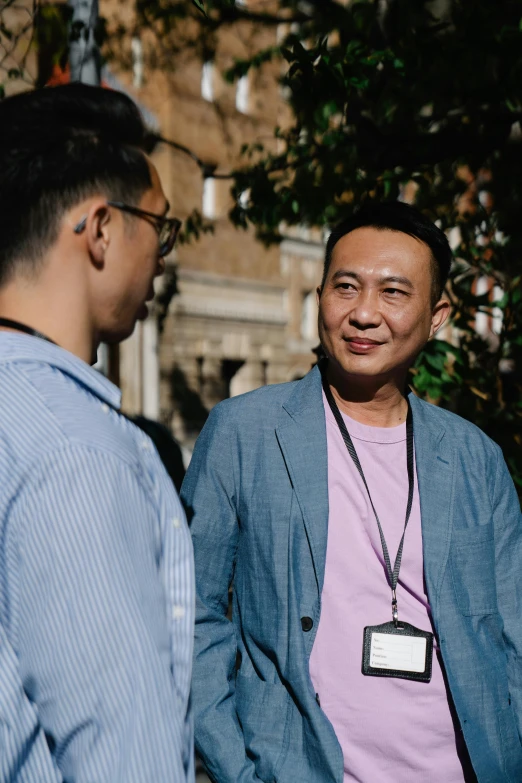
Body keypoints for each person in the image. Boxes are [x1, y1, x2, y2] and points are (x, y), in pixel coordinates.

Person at [182, 201, 522, 783]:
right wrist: (234, 767)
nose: (364, 314)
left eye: (393, 292)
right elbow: (192, 610)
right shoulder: (246, 432)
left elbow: (511, 631)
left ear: (438, 314)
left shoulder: (473, 459)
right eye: (346, 287)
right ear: (320, 297)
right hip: (296, 768)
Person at [0, 84, 194, 781]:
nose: (163, 256)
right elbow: (121, 746)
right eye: (160, 227)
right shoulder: (73, 450)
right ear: (102, 228)